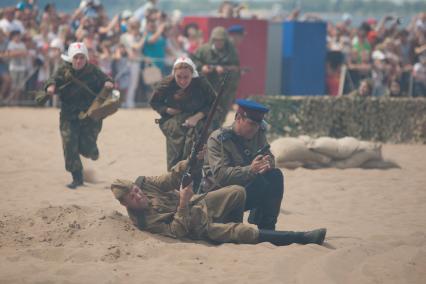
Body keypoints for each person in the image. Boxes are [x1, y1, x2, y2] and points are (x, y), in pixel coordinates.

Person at [110, 158, 327, 246]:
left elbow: (170, 179)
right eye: (132, 197)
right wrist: (183, 204)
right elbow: (177, 231)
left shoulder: (145, 184)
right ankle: (302, 238)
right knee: (243, 232)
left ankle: (233, 229)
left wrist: (190, 161)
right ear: (125, 204)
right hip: (197, 227)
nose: (138, 195)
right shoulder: (143, 220)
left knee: (237, 192)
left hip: (200, 204)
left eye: (136, 191)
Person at [202, 99, 284, 231]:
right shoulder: (218, 139)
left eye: (258, 125)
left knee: (275, 176)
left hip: (243, 188)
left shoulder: (258, 133)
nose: (254, 128)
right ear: (238, 118)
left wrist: (266, 164)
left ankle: (267, 226)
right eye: (251, 123)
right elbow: (221, 176)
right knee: (233, 224)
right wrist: (251, 169)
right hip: (221, 194)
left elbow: (269, 156)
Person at [43, 42, 114, 189]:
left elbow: (108, 79)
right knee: (69, 145)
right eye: (75, 58)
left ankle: (91, 150)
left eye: (81, 57)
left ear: (86, 58)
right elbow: (52, 79)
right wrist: (50, 87)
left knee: (86, 148)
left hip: (90, 116)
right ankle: (77, 177)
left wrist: (108, 84)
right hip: (69, 115)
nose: (78, 61)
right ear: (71, 58)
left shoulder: (93, 70)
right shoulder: (64, 70)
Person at [150, 56, 216, 171]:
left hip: (199, 120)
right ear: (173, 74)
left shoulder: (201, 83)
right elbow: (154, 102)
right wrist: (167, 110)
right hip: (174, 121)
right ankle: (173, 179)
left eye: (186, 77)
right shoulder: (167, 83)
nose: (182, 81)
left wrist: (197, 117)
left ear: (193, 74)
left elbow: (214, 104)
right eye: (179, 77)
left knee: (194, 148)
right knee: (175, 148)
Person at [192, 26, 240, 128]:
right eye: (216, 40)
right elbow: (194, 62)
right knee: (207, 110)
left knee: (222, 111)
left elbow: (236, 66)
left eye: (221, 40)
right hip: (207, 85)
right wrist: (203, 67)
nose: (219, 43)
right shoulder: (204, 50)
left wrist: (225, 69)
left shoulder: (231, 51)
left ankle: (217, 127)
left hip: (225, 88)